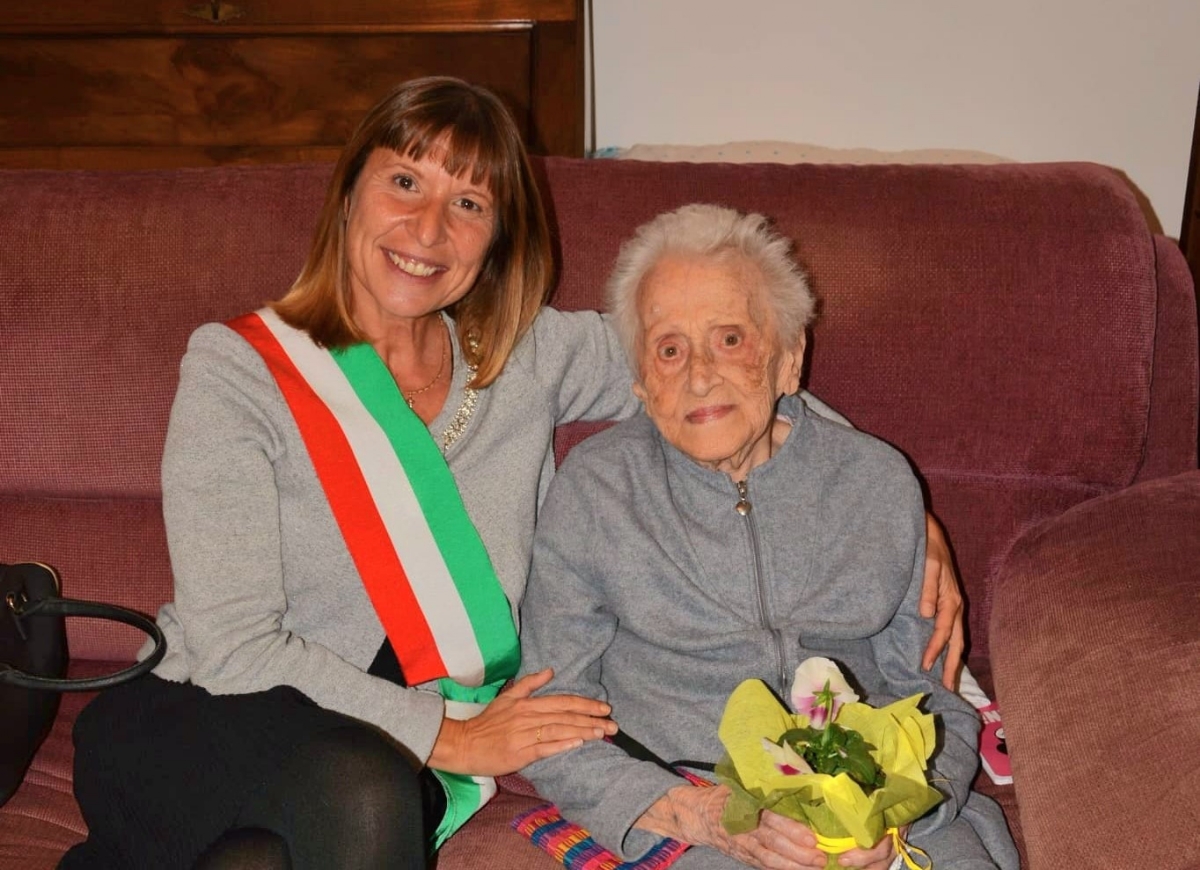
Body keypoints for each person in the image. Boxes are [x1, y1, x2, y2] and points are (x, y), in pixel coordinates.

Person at [63, 78, 967, 870]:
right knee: (371, 791)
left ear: (497, 238)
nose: (427, 228)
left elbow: (719, 376)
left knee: (281, 849)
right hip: (200, 717)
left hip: (357, 763)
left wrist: (902, 510)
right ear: (349, 194)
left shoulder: (524, 357)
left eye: (469, 204)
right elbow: (232, 647)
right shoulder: (241, 370)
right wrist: (450, 735)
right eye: (406, 182)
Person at [518, 204, 1019, 870]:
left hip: (875, 798)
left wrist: (897, 809)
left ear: (790, 359)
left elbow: (934, 705)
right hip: (698, 801)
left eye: (730, 339)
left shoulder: (875, 482)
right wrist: (708, 817)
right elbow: (553, 716)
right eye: (669, 348)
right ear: (639, 382)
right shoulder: (597, 493)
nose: (698, 374)